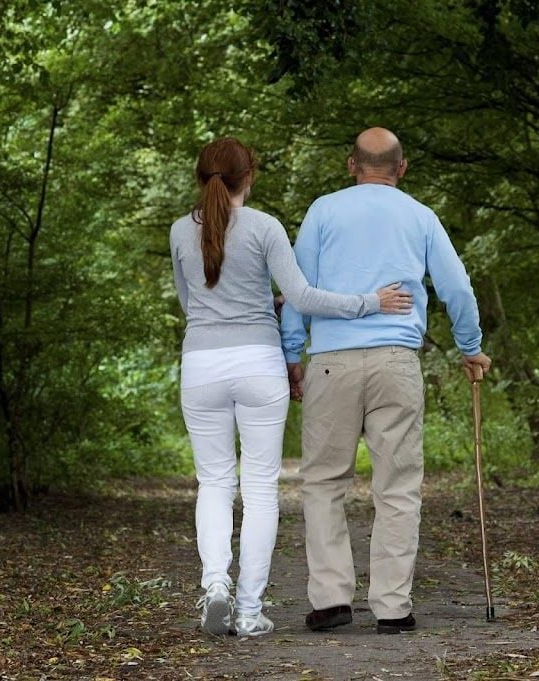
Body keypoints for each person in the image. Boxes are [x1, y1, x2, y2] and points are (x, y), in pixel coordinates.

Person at [170, 137, 412, 638]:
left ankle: (215, 585)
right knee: (260, 489)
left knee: (214, 483)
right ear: (250, 176)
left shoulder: (178, 232)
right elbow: (302, 295)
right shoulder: (265, 228)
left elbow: (189, 301)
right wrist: (369, 302)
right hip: (257, 363)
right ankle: (249, 609)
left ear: (201, 178)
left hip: (201, 365)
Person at [280, 127, 492, 635]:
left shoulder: (323, 211)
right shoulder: (420, 216)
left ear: (351, 165)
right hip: (397, 361)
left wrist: (291, 354)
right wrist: (470, 346)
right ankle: (393, 607)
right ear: (402, 168)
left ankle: (331, 599)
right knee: (397, 487)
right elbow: (456, 287)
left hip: (332, 360)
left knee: (324, 482)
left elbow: (293, 288)